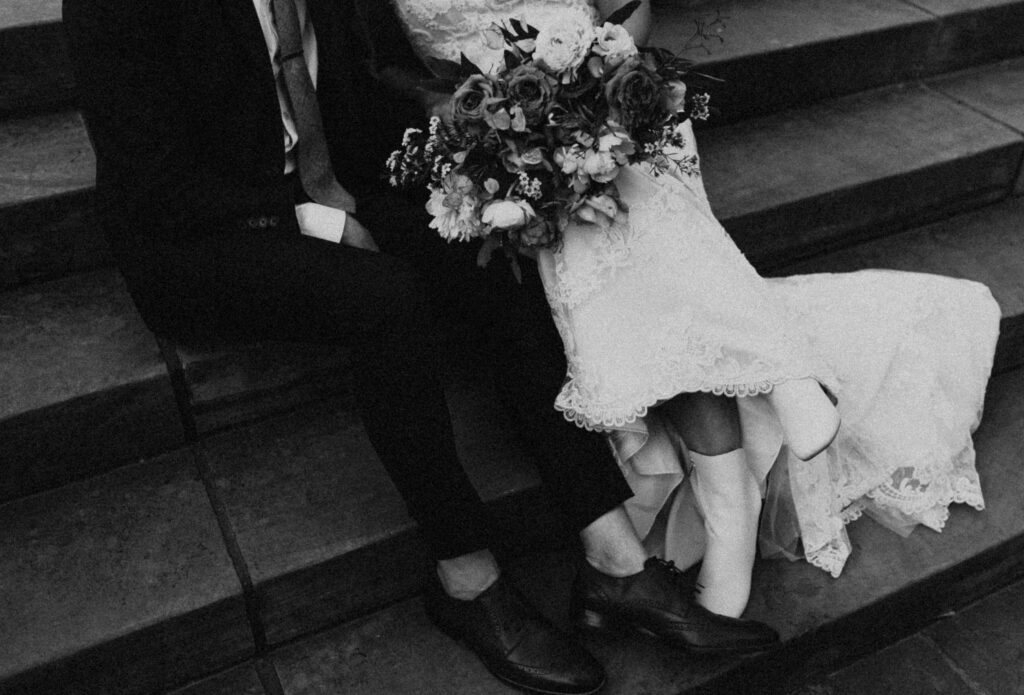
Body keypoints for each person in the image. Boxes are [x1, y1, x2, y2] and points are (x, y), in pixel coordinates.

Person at [62, 1, 779, 694]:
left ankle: (612, 558)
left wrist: (477, 143)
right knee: (385, 299)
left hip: (329, 186)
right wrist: (315, 220)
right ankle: (464, 575)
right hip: (198, 235)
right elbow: (154, 181)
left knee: (492, 254)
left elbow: (366, 86)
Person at [386, 0, 1002, 622]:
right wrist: (510, 134)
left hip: (600, 98)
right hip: (492, 139)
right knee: (596, 226)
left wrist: (590, 82)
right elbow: (385, 75)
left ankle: (735, 502)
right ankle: (775, 389)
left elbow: (632, 11)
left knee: (625, 205)